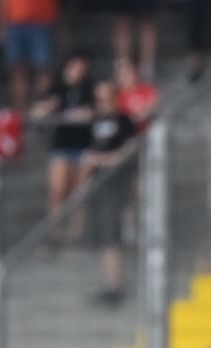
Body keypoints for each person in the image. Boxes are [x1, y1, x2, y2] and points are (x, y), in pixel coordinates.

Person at [82, 78, 135, 303]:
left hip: (116, 182)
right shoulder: (94, 121)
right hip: (98, 183)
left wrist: (103, 160)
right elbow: (87, 153)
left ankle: (114, 284)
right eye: (99, 99)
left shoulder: (124, 120)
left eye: (106, 98)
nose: (102, 103)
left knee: (112, 235)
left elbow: (127, 152)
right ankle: (108, 282)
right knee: (104, 237)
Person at [35, 51, 94, 243]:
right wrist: (48, 108)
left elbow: (93, 112)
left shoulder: (88, 90)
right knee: (58, 189)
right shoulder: (56, 89)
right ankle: (55, 230)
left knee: (79, 191)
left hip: (82, 144)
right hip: (61, 144)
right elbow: (36, 111)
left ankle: (77, 232)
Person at [0, 0, 60, 112]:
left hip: (43, 21)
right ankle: (20, 111)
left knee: (43, 68)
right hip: (15, 20)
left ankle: (41, 110)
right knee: (17, 70)